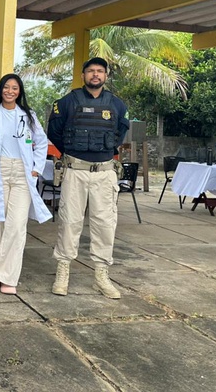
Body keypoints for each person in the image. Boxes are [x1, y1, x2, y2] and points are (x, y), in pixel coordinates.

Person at [48, 57, 130, 299]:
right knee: (69, 221)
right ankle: (63, 271)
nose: (95, 75)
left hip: (104, 173)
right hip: (75, 170)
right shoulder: (66, 102)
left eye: (100, 71)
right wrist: (73, 152)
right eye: (91, 71)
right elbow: (54, 131)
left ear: (105, 76)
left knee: (105, 223)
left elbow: (120, 134)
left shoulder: (117, 104)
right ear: (83, 75)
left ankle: (101, 275)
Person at [0, 74, 52, 296]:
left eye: (15, 88)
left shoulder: (28, 116)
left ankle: (0, 277)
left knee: (17, 225)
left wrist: (36, 169)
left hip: (22, 172)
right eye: (6, 87)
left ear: (19, 92)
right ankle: (0, 276)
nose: (10, 91)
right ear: (0, 90)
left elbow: (41, 143)